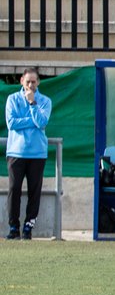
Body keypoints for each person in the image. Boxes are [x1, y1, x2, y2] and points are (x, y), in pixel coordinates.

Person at [5, 68, 51, 240]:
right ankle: (13, 227)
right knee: (14, 189)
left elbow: (42, 122)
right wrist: (32, 120)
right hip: (16, 152)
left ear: (38, 82)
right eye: (28, 81)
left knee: (34, 191)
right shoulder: (12, 99)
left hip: (37, 154)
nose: (31, 85)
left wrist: (32, 104)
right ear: (21, 81)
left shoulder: (45, 101)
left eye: (34, 81)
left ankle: (28, 227)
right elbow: (11, 123)